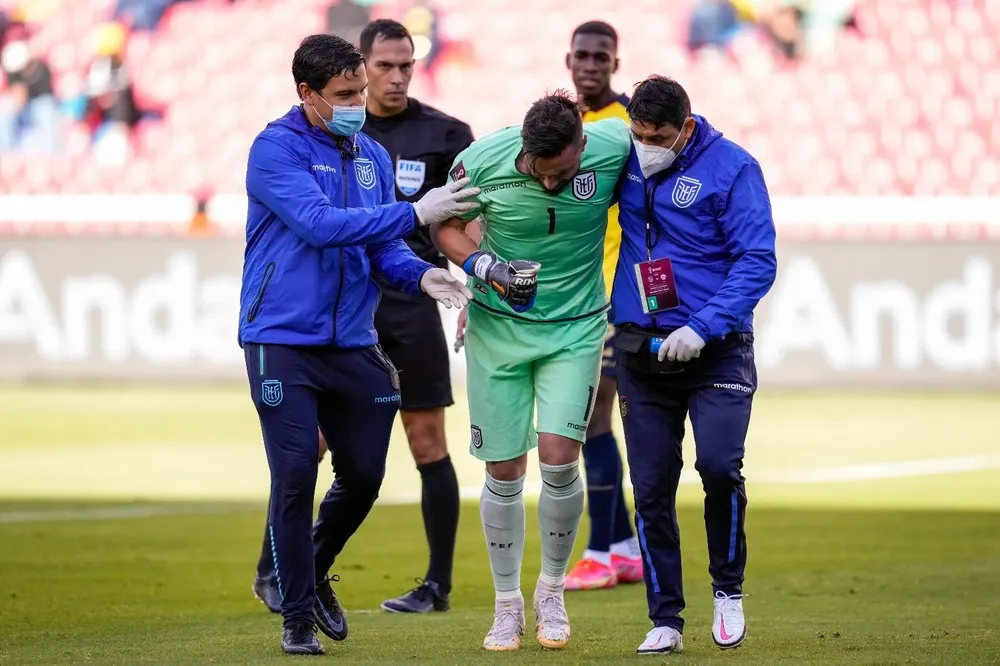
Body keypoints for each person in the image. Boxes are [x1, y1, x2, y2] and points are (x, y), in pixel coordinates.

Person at [240, 33, 479, 655]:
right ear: (307, 93)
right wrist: (417, 213)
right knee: (296, 472)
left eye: (359, 92)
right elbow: (320, 226)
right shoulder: (275, 148)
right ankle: (296, 618)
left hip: (352, 340)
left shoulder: (369, 154)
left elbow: (382, 248)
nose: (356, 104)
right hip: (281, 339)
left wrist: (422, 276)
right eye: (344, 95)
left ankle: (313, 567)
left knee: (366, 475)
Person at [432, 93, 631, 651]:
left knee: (560, 456)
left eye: (562, 174)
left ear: (583, 145)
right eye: (540, 172)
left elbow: (673, 142)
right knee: (502, 469)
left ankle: (551, 592)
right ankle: (506, 606)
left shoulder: (614, 144)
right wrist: (485, 267)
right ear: (523, 148)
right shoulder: (480, 161)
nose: (549, 184)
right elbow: (445, 228)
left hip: (575, 328)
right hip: (498, 329)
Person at [612, 75, 777, 654]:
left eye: (657, 137)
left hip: (716, 350)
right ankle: (666, 619)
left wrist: (702, 326)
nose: (645, 147)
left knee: (718, 467)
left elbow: (758, 261)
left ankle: (728, 590)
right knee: (650, 488)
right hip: (641, 349)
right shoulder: (621, 155)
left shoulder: (733, 168)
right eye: (638, 135)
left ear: (686, 127)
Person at [358, 18, 475, 614]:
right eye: (385, 65)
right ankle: (279, 571)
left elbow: (469, 221)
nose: (398, 76)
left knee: (428, 442)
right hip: (348, 301)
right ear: (361, 67)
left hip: (415, 298)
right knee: (315, 441)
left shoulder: (446, 134)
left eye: (406, 65)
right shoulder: (336, 133)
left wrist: (476, 283)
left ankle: (437, 586)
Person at [561, 19, 644, 594]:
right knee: (594, 419)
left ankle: (599, 553)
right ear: (568, 60)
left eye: (601, 57)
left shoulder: (630, 124)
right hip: (577, 293)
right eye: (583, 56)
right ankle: (625, 548)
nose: (591, 65)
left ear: (616, 63)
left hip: (617, 292)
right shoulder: (561, 123)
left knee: (592, 417)